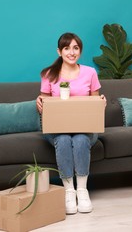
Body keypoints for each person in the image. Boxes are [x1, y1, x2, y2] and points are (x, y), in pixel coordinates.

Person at [36, 32, 105, 215]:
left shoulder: (90, 72)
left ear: (80, 51)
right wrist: (41, 103)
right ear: (59, 51)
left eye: (75, 48)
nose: (71, 52)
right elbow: (46, 107)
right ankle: (69, 191)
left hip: (85, 128)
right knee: (65, 139)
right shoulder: (49, 74)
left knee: (81, 139)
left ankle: (82, 190)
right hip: (57, 129)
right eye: (67, 48)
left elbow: (94, 106)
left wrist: (101, 103)